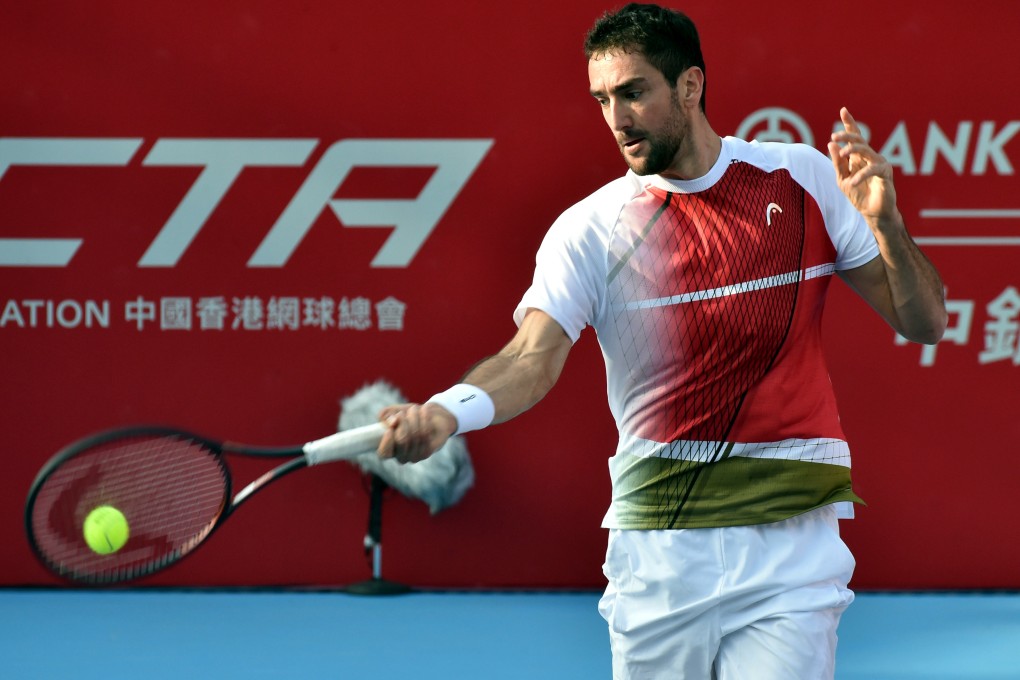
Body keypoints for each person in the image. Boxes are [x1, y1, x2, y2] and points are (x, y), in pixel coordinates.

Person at [377, 4, 947, 678]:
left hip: (790, 550)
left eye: (633, 92)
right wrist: (448, 410)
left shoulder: (801, 182)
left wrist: (886, 226)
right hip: (658, 553)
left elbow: (924, 322)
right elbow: (530, 356)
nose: (617, 118)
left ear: (690, 86)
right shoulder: (591, 229)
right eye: (602, 99)